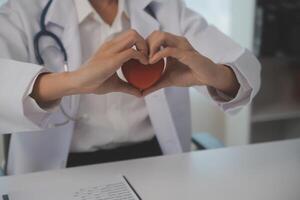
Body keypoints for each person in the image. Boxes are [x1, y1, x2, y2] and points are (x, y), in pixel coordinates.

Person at [0, 0, 261, 175]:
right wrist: (74, 82)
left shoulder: (164, 7)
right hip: (62, 168)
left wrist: (211, 73)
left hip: (154, 161)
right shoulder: (25, 10)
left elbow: (244, 68)